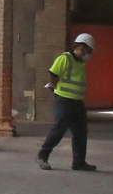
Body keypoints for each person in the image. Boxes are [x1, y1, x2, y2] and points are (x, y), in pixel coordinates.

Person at [38, 33, 98, 171]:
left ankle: (79, 162)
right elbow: (53, 73)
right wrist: (55, 87)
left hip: (77, 102)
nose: (90, 54)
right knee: (59, 129)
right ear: (82, 47)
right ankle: (42, 155)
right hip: (64, 100)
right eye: (89, 50)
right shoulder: (65, 58)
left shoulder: (80, 63)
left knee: (81, 132)